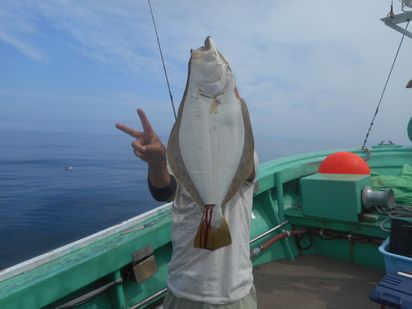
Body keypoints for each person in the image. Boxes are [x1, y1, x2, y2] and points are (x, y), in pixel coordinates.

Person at [116, 108, 258, 309]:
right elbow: (164, 191)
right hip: (182, 287)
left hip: (234, 292)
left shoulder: (244, 152)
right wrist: (157, 162)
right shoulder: (182, 155)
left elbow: (248, 169)